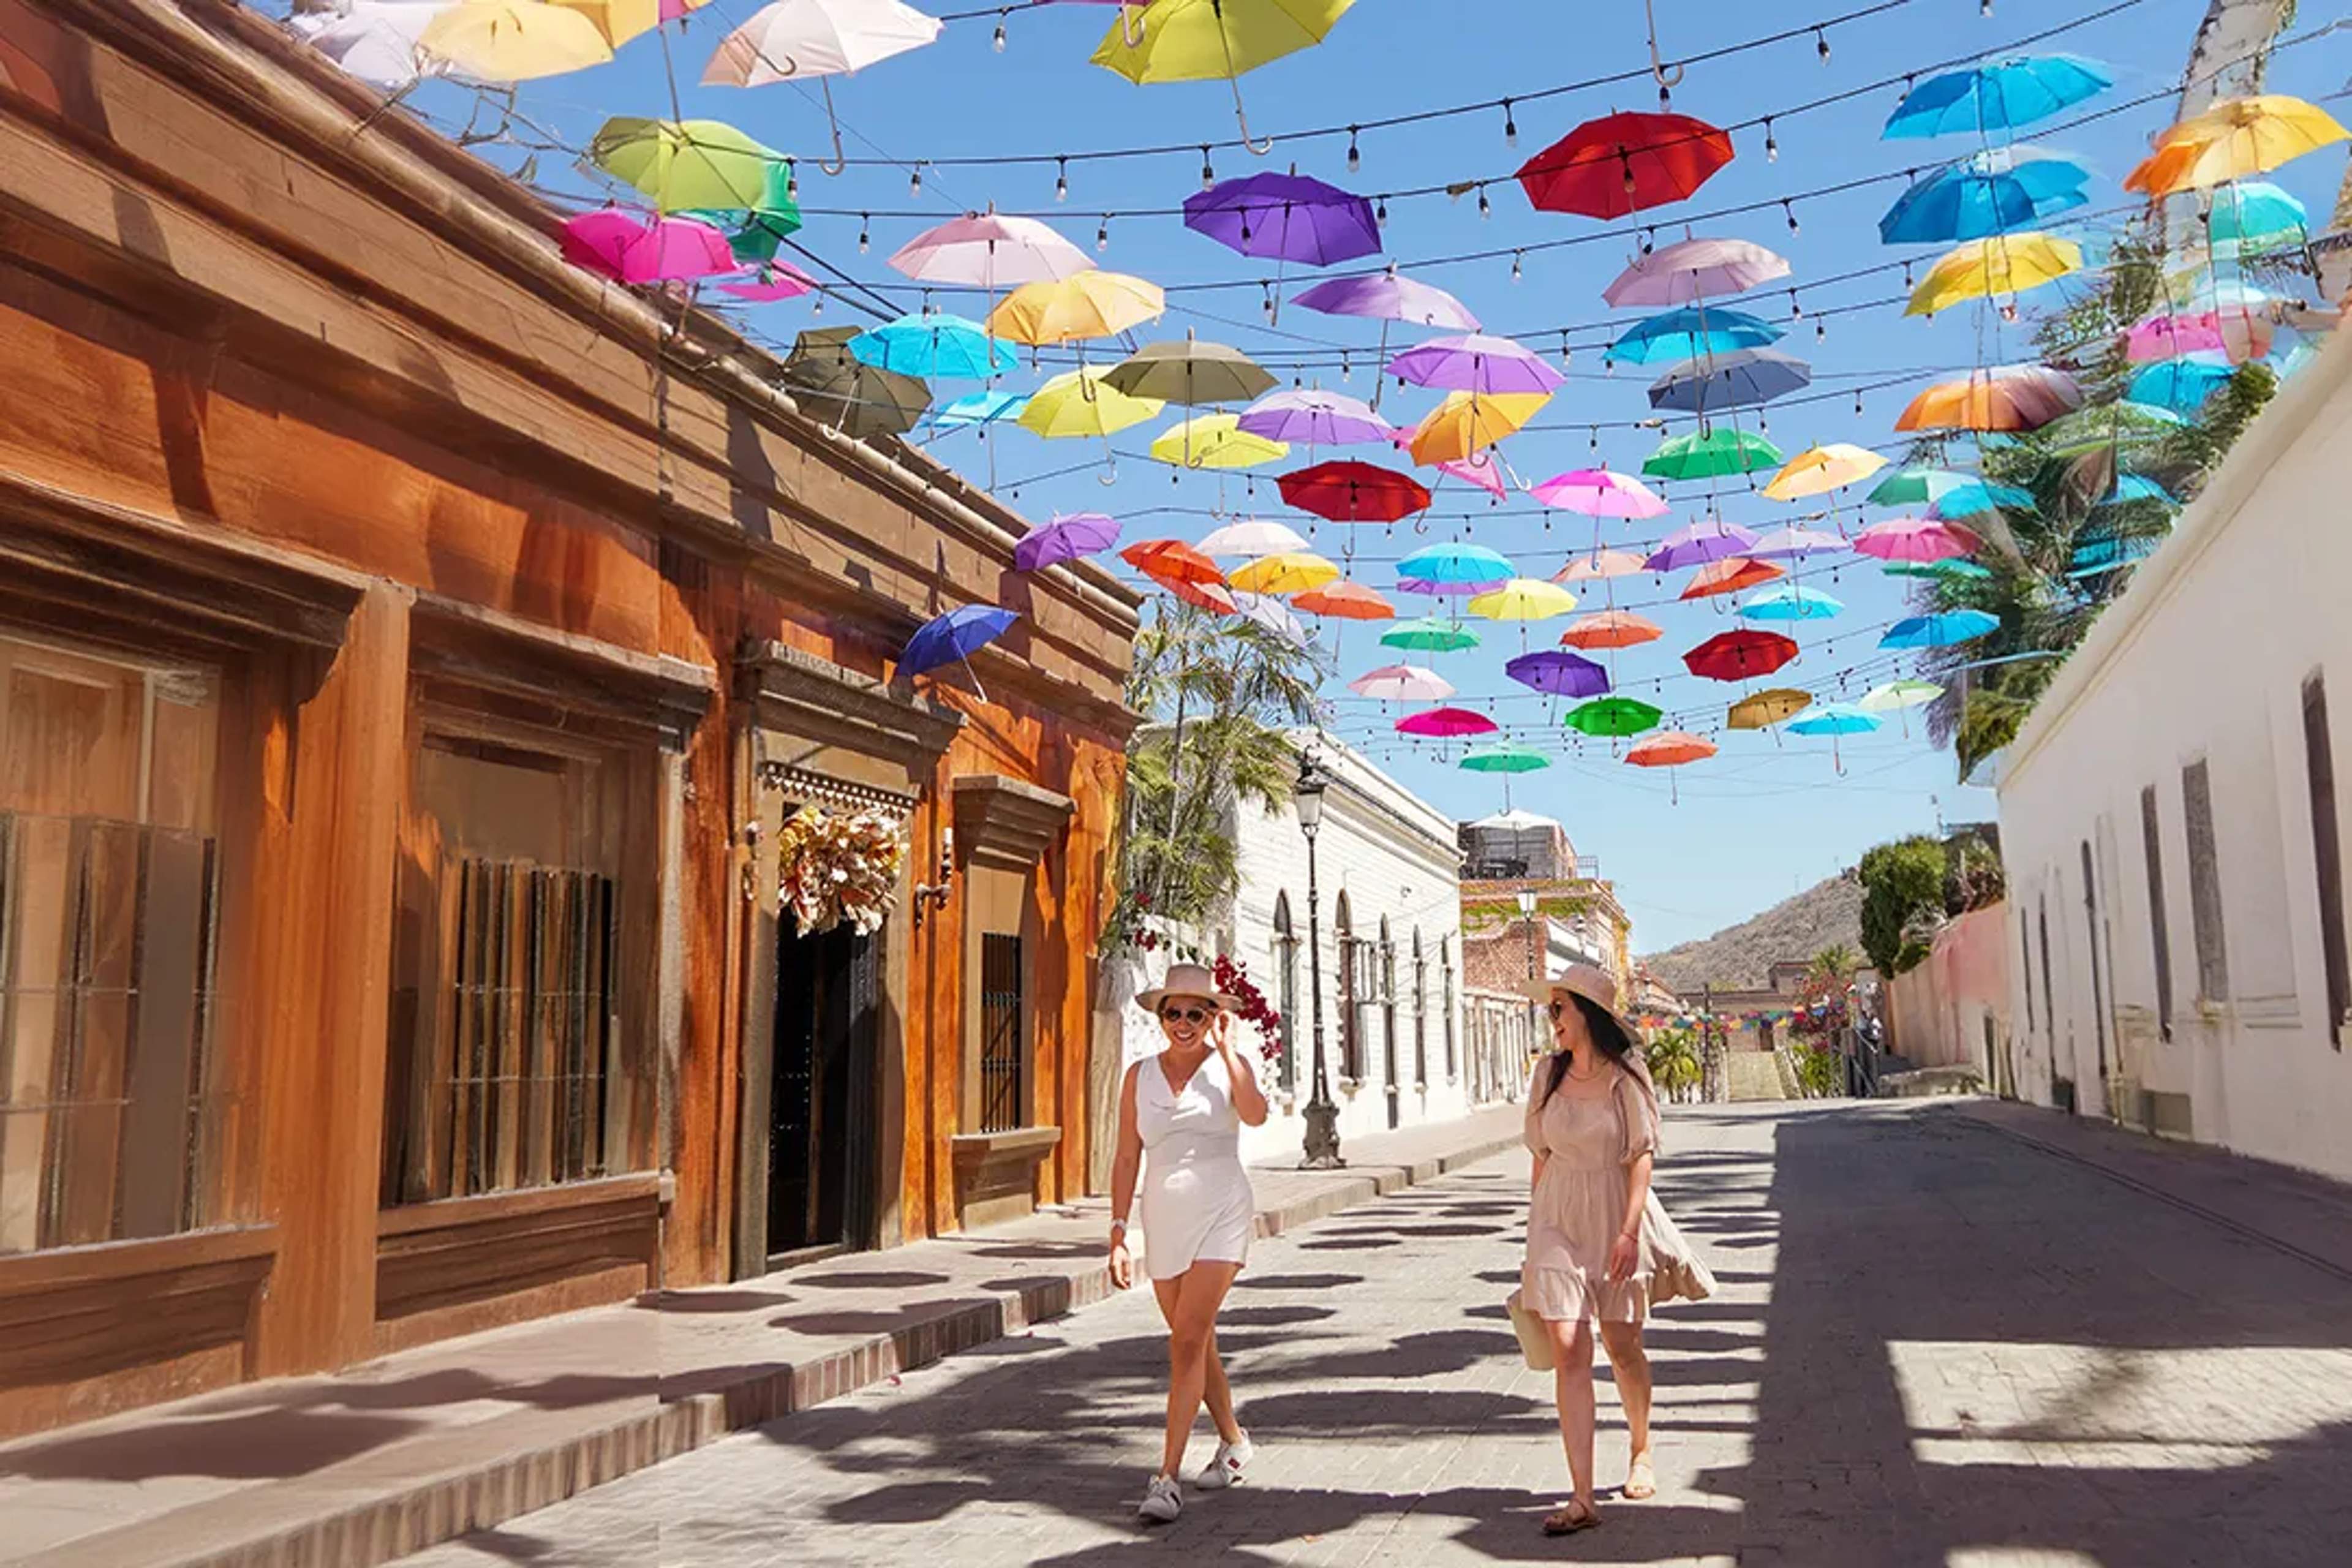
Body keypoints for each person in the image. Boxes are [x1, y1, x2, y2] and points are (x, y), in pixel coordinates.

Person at [1515, 964, 1714, 1536]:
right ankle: (1581, 1497)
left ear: (1588, 1017)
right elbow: (1540, 1155)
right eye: (1550, 1009)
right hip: (1556, 1215)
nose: (1551, 1019)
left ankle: (1641, 1448)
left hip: (1611, 1213)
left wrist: (1629, 1232)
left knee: (1622, 1346)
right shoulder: (1547, 1075)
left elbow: (1641, 1158)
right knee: (1569, 1346)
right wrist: (1535, 1231)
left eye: (1559, 1009)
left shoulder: (1627, 1078)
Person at [1107, 961, 1270, 1525]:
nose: (1183, 1022)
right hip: (1163, 1215)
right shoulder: (1138, 1076)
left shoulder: (1230, 1067)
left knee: (1187, 1341)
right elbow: (1127, 1155)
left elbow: (1256, 1114)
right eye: (1173, 1012)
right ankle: (1233, 1440)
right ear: (1159, 1016)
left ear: (1213, 1016)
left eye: (1196, 1013)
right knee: (1193, 1339)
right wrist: (1117, 1233)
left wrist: (1227, 1052)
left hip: (1223, 1209)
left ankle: (1166, 1479)